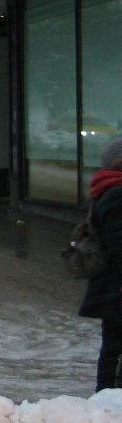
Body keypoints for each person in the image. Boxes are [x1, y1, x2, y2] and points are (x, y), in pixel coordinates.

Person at [79, 139, 122, 391]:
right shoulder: (117, 194)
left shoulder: (104, 189)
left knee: (113, 344)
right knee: (114, 345)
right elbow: (118, 244)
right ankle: (107, 397)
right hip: (116, 284)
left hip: (108, 282)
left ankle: (108, 396)